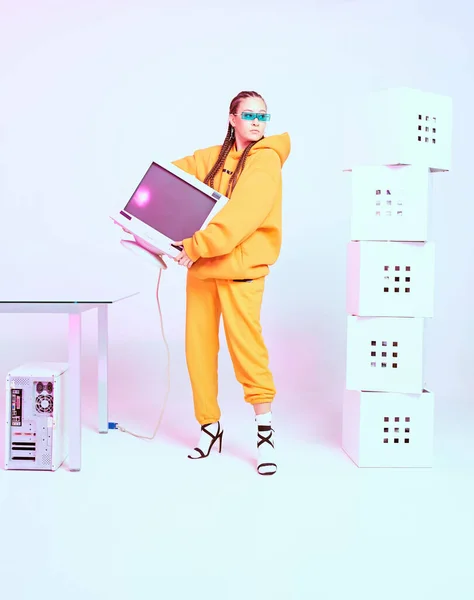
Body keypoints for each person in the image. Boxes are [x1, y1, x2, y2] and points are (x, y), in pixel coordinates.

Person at [171, 90, 290, 476]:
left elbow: (239, 218)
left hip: (240, 270)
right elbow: (169, 176)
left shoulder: (265, 161)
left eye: (263, 116)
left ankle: (265, 436)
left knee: (247, 353)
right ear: (232, 118)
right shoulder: (214, 158)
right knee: (198, 352)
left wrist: (195, 244)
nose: (257, 122)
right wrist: (142, 214)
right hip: (204, 270)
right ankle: (210, 427)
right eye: (250, 115)